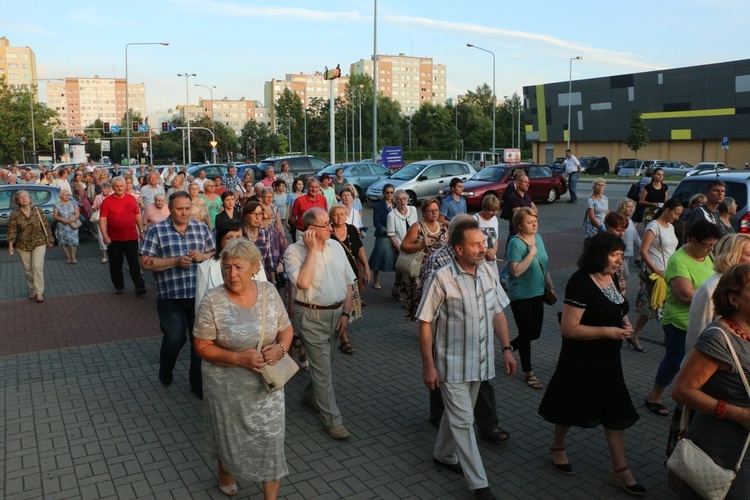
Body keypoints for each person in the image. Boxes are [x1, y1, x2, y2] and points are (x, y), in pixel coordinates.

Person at [417, 216, 517, 500]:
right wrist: (428, 366)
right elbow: (424, 323)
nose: (482, 249)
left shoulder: (487, 271)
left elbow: (498, 311)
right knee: (463, 421)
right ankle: (480, 484)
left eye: (483, 243)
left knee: (458, 414)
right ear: (458, 249)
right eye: (475, 245)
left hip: (481, 361)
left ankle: (443, 455)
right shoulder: (442, 278)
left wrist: (507, 349)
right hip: (452, 364)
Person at [538, 232, 645, 496]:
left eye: (621, 254)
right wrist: (608, 332)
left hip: (609, 359)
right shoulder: (580, 282)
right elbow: (569, 329)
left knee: (614, 407)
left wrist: (624, 322)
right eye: (614, 254)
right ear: (599, 254)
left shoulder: (612, 278)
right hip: (580, 358)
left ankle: (620, 470)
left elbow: (616, 307)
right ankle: (558, 447)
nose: (620, 260)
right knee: (569, 401)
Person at [193, 239, 292, 499]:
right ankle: (225, 471)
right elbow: (202, 346)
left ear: (255, 268)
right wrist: (239, 359)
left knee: (271, 443)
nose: (231, 274)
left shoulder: (269, 291)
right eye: (227, 267)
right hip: (226, 387)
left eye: (238, 267)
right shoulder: (212, 300)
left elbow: (286, 328)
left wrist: (281, 349)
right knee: (228, 437)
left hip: (266, 388)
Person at [672, 263, 750, 500]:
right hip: (720, 452)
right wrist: (737, 414)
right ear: (733, 299)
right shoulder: (719, 338)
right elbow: (682, 391)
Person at [284, 207, 356, 440]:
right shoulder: (293, 252)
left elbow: (348, 283)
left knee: (326, 364)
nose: (332, 227)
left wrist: (346, 314)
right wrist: (312, 250)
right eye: (326, 225)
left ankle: (309, 396)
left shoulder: (336, 246)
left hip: (337, 315)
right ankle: (333, 421)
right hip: (311, 316)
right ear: (311, 229)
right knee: (323, 369)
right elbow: (303, 283)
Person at [140, 191, 216, 399]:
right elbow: (145, 262)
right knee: (175, 338)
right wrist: (174, 262)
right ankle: (166, 367)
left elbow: (215, 252)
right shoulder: (157, 231)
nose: (184, 213)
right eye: (179, 209)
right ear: (170, 209)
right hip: (170, 296)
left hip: (198, 296)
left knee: (199, 341)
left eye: (187, 208)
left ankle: (197, 382)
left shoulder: (201, 228)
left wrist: (203, 256)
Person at [644, 220, 723, 416]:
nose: (710, 249)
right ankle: (654, 395)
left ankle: (693, 399)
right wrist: (715, 294)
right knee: (675, 360)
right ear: (691, 240)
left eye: (713, 245)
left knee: (697, 365)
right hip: (679, 322)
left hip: (703, 321)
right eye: (706, 244)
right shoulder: (678, 260)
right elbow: (686, 294)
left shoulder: (708, 256)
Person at [507, 207, 553, 390]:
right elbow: (515, 271)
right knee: (526, 333)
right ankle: (528, 372)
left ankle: (508, 348)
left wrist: (549, 284)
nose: (534, 224)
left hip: (538, 292)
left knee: (535, 332)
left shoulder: (539, 239)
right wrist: (531, 253)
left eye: (535, 221)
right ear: (519, 225)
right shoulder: (515, 243)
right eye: (530, 221)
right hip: (521, 295)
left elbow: (544, 264)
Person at [631, 198, 683, 352]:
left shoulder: (671, 227)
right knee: (649, 308)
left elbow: (672, 251)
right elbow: (643, 250)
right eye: (676, 213)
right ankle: (635, 335)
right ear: (667, 210)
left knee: (667, 307)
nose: (677, 217)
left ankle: (667, 338)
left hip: (669, 273)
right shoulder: (653, 226)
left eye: (679, 214)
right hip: (655, 275)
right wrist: (655, 269)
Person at [686, 234, 750, 353]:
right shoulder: (710, 288)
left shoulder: (744, 284)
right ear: (732, 256)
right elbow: (697, 335)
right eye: (749, 254)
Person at [195, 220, 268, 314]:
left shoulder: (255, 263)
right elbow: (200, 309)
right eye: (229, 238)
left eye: (238, 237)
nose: (234, 241)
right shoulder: (205, 268)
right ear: (220, 240)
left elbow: (264, 295)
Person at [399, 198, 448, 321]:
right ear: (424, 212)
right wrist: (420, 245)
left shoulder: (443, 227)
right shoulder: (417, 227)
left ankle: (434, 330)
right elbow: (403, 246)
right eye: (430, 210)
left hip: (439, 270)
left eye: (436, 210)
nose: (434, 213)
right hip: (421, 273)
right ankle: (425, 331)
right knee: (423, 304)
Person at [330, 204, 370, 355]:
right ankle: (344, 339)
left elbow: (359, 248)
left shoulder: (352, 229)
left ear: (346, 215)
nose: (339, 216)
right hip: (334, 276)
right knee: (339, 306)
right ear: (331, 217)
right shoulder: (328, 232)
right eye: (335, 214)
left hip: (351, 274)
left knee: (348, 307)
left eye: (342, 214)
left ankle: (340, 330)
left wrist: (366, 266)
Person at [99, 177, 147, 296]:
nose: (119, 188)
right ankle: (119, 286)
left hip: (131, 237)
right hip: (114, 239)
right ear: (113, 187)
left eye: (121, 186)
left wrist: (141, 231)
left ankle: (139, 287)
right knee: (116, 264)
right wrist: (105, 236)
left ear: (125, 186)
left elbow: (138, 217)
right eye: (117, 186)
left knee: (134, 263)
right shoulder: (107, 201)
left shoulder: (131, 199)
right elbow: (102, 220)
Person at [6, 190, 54, 303]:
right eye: (21, 197)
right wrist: (10, 244)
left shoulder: (38, 210)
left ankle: (39, 292)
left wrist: (50, 239)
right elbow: (12, 230)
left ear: (30, 198)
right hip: (22, 244)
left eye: (26, 196)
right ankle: (33, 289)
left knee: (37, 267)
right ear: (17, 201)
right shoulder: (15, 214)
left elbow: (45, 225)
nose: (24, 199)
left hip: (39, 241)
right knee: (28, 269)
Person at [387, 189, 419, 299]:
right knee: (404, 270)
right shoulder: (392, 215)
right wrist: (400, 249)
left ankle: (396, 289)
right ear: (395, 201)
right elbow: (391, 236)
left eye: (404, 198)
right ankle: (407, 296)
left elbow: (417, 227)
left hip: (414, 246)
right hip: (400, 247)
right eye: (399, 199)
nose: (402, 201)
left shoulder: (413, 210)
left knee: (403, 270)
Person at [368, 183, 395, 290]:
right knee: (378, 258)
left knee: (398, 258)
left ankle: (398, 283)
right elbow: (376, 222)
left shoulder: (397, 204)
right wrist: (385, 231)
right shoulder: (378, 206)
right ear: (383, 193)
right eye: (387, 192)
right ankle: (376, 280)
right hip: (383, 235)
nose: (389, 194)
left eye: (391, 192)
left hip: (396, 235)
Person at [505, 173, 537, 245]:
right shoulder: (513, 198)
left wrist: (527, 211)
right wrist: (529, 210)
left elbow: (535, 210)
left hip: (527, 232)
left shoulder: (527, 196)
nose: (528, 184)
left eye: (528, 182)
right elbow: (520, 214)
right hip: (516, 233)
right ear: (518, 183)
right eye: (525, 182)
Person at [53, 190, 81, 265]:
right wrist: (62, 219)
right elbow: (55, 216)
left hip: (72, 225)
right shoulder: (57, 205)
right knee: (63, 242)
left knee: (73, 241)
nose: (67, 197)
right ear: (61, 196)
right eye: (65, 195)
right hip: (62, 226)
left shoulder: (73, 203)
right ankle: (68, 256)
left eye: (68, 195)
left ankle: (73, 256)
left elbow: (77, 213)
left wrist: (73, 219)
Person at [473, 194, 500, 263]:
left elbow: (496, 238)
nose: (494, 213)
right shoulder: (475, 219)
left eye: (496, 210)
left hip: (492, 258)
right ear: (484, 208)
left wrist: (494, 250)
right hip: (480, 259)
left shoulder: (494, 219)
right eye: (491, 210)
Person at [616, 198, 641, 274]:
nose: (631, 209)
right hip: (619, 253)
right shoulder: (617, 220)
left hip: (627, 252)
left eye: (632, 207)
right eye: (628, 207)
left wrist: (643, 246)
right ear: (622, 208)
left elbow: (635, 236)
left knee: (622, 274)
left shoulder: (629, 220)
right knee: (624, 274)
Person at [584, 178, 609, 248]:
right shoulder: (591, 200)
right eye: (598, 185)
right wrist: (601, 227)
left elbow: (607, 212)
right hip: (593, 229)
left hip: (604, 227)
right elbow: (591, 217)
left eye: (602, 185)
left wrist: (608, 224)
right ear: (594, 187)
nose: (600, 187)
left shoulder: (605, 198)